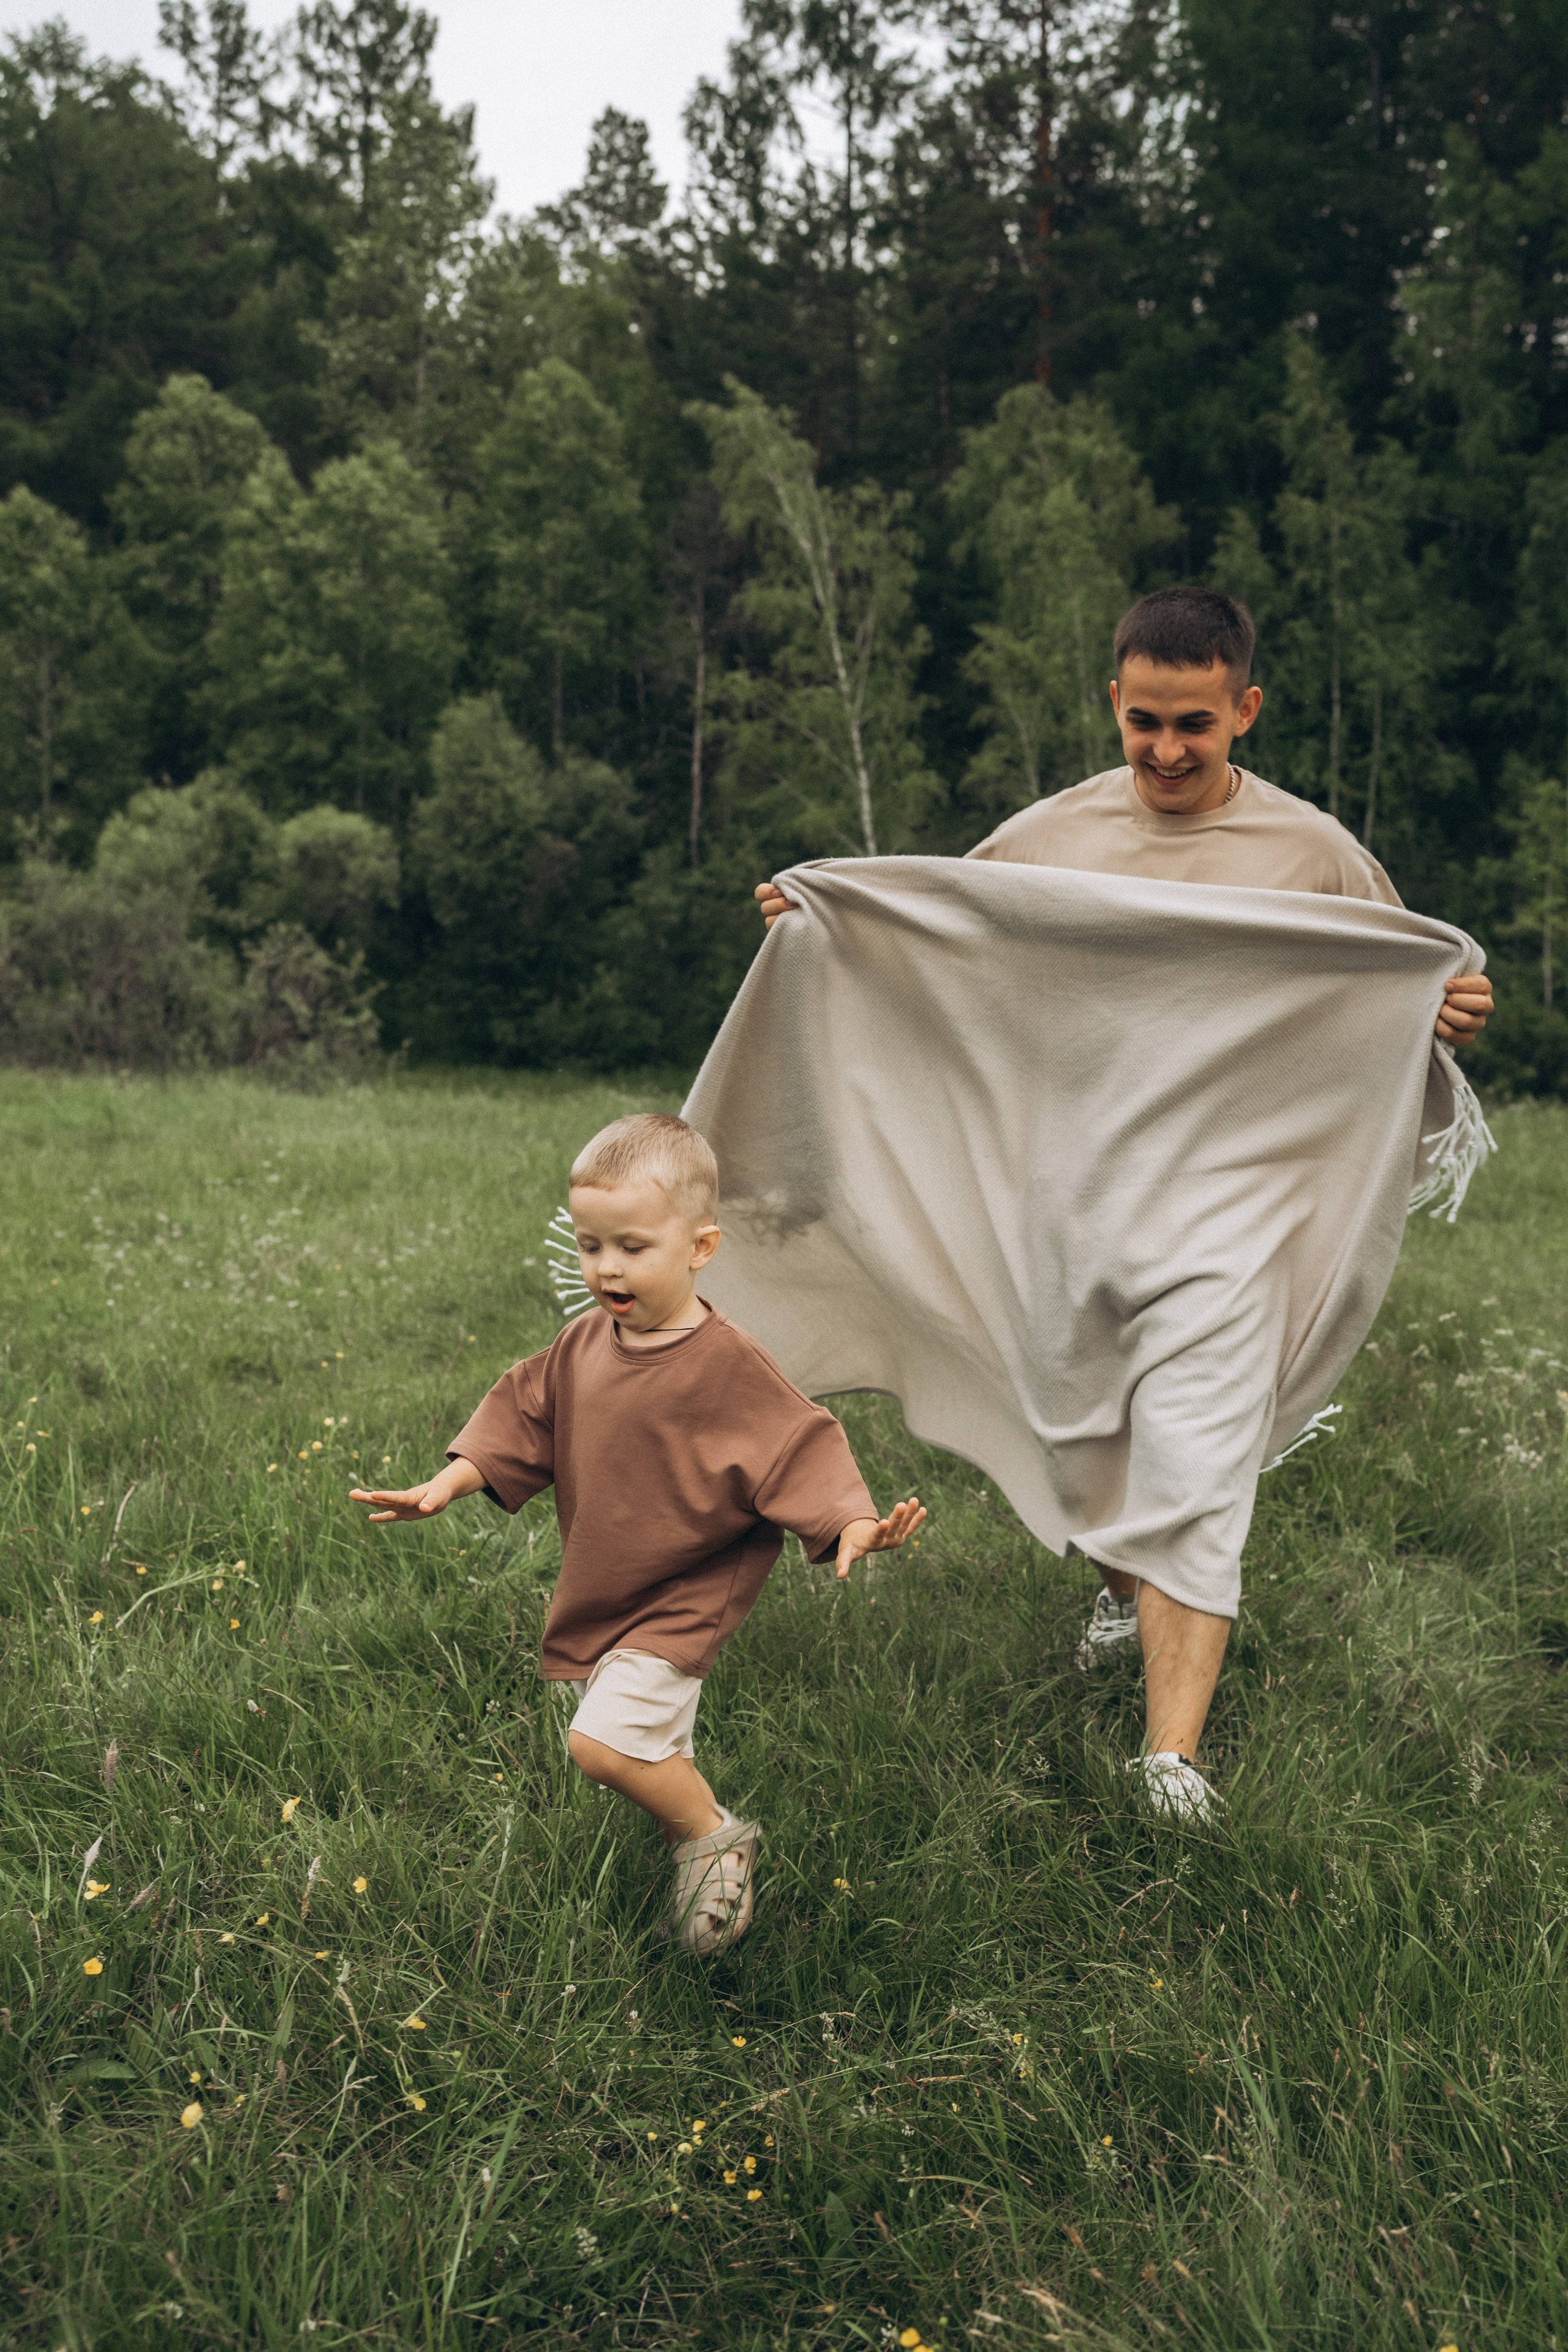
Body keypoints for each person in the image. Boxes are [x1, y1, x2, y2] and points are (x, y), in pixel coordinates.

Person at [753, 586, 1493, 1820]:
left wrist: (1445, 1010)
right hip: (1073, 1205)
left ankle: (1170, 1763)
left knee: (1198, 1463)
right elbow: (932, 940)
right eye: (1141, 719)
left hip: (1234, 1211)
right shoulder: (1043, 838)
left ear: (1243, 710)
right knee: (1083, 1441)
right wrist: (824, 922)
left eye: (1192, 724)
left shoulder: (1312, 855)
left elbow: (1394, 986)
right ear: (1111, 699)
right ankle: (1114, 1588)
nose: (1162, 749)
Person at [350, 1112, 924, 1953]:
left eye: (632, 1247)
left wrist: (854, 1523)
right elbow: (523, 1419)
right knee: (640, 1739)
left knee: (600, 1745)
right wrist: (448, 1483)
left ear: (701, 1248)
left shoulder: (729, 1365)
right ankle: (688, 1846)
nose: (606, 1268)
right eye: (590, 1246)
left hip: (688, 1587)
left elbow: (798, 1443)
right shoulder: (584, 1345)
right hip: (610, 1582)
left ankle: (716, 1838)